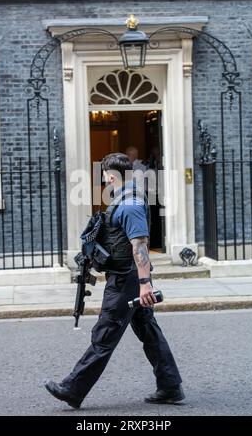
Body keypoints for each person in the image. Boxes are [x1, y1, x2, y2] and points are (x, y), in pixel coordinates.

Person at [44, 153, 184, 409]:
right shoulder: (123, 199)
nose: (104, 178)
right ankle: (170, 386)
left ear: (111, 175)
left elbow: (139, 246)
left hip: (126, 281)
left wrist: (145, 285)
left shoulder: (129, 204)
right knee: (149, 331)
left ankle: (73, 389)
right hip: (127, 277)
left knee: (105, 333)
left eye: (104, 173)